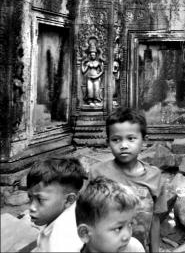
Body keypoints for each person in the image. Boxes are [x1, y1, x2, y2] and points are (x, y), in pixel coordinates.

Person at [89, 108, 167, 252]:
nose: (123, 145)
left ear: (144, 140)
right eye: (116, 139)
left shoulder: (155, 176)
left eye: (131, 138)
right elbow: (88, 217)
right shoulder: (97, 173)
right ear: (108, 142)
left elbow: (155, 221)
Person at [27, 157, 86, 252]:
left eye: (40, 200)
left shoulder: (62, 242)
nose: (31, 208)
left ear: (69, 200)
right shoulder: (69, 211)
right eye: (30, 198)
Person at [75, 177, 145, 253]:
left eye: (130, 224)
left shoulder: (135, 248)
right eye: (118, 228)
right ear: (85, 233)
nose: (127, 236)